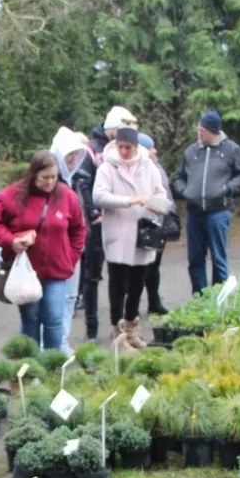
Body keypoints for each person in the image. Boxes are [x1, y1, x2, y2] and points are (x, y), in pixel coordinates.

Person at [0, 150, 87, 351]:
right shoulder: (12, 195)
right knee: (31, 319)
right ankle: (29, 370)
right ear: (33, 175)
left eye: (54, 177)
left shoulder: (67, 196)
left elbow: (78, 229)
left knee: (54, 318)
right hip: (26, 271)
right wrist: (11, 240)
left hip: (57, 269)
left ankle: (52, 369)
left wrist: (70, 257)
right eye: (45, 178)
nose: (50, 183)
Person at [93, 128, 172, 351]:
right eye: (121, 147)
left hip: (143, 233)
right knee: (118, 284)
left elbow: (161, 194)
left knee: (138, 284)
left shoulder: (149, 166)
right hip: (119, 234)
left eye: (128, 147)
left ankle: (131, 330)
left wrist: (155, 205)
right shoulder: (107, 167)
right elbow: (99, 196)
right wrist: (129, 200)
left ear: (136, 147)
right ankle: (117, 334)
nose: (124, 151)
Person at [172, 110, 240, 294]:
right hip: (194, 212)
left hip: (218, 211)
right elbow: (179, 177)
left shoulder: (231, 149)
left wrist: (227, 189)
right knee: (195, 260)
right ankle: (199, 298)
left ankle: (218, 297)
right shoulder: (191, 151)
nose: (199, 133)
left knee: (219, 258)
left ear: (213, 131)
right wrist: (184, 191)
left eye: (203, 130)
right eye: (199, 129)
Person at [78, 107, 138, 342]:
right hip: (98, 223)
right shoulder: (90, 151)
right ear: (112, 128)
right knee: (92, 276)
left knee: (120, 274)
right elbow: (82, 183)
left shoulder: (127, 151)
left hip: (120, 222)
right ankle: (91, 330)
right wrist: (93, 213)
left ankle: (120, 326)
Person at [50, 127, 91, 354]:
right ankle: (52, 341)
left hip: (74, 248)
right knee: (55, 296)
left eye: (76, 155)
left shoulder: (75, 180)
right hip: (55, 250)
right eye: (69, 155)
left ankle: (63, 338)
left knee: (70, 296)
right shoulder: (51, 183)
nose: (73, 160)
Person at [138, 132, 171, 316]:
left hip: (160, 223)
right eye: (150, 147)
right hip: (148, 223)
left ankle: (154, 301)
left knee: (154, 267)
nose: (155, 150)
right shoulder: (142, 169)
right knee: (143, 267)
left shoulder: (156, 166)